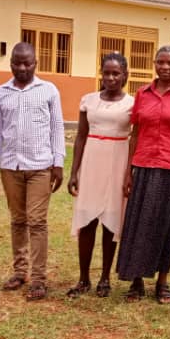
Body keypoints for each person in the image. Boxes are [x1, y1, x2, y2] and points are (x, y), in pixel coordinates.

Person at [116, 45, 170, 303]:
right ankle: (137, 280)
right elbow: (136, 134)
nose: (165, 67)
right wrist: (129, 171)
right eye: (161, 62)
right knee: (138, 225)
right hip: (143, 167)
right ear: (154, 63)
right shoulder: (142, 94)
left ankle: (162, 282)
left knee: (166, 226)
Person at [0, 41, 65, 300]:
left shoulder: (49, 91)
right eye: (17, 63)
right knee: (18, 220)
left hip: (40, 166)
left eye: (27, 63)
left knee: (37, 221)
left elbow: (57, 129)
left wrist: (59, 162)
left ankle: (39, 279)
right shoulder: (0, 93)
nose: (22, 67)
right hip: (11, 166)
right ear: (10, 63)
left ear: (35, 63)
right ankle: (21, 272)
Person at [65, 53, 134, 299]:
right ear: (101, 74)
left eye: (116, 73)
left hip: (118, 159)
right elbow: (81, 136)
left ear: (125, 75)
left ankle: (105, 278)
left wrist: (129, 173)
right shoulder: (88, 100)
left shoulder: (132, 104)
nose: (111, 77)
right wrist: (74, 172)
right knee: (87, 219)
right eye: (107, 72)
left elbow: (135, 138)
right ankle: (84, 277)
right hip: (92, 160)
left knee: (111, 220)